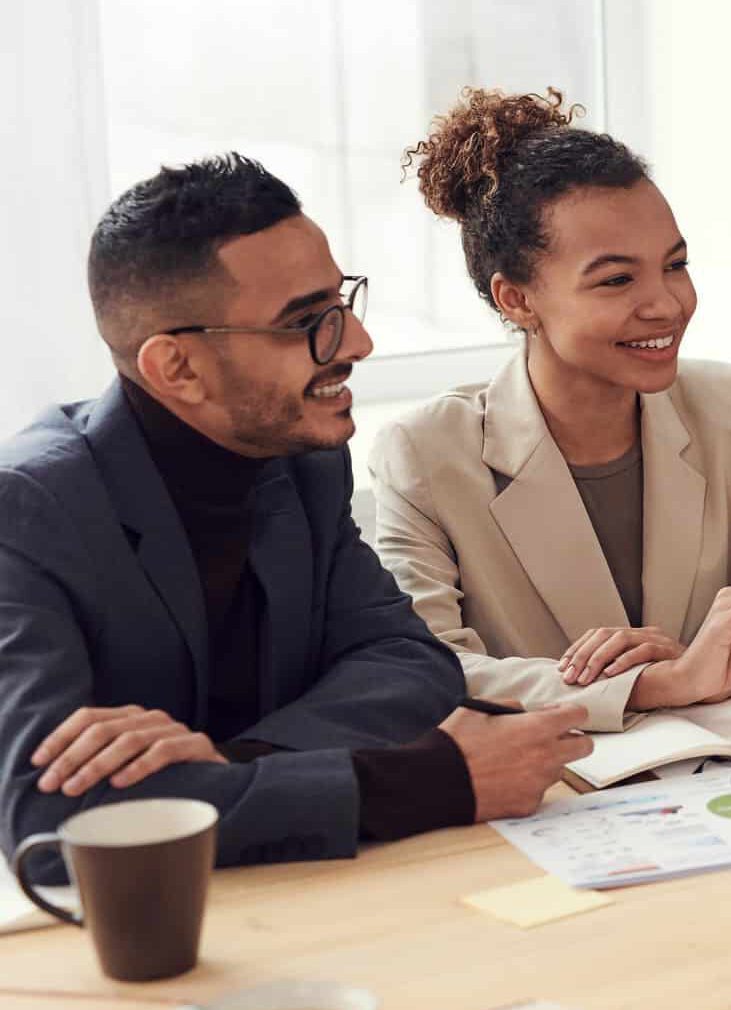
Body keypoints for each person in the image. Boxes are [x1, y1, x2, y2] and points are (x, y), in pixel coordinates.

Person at [0, 155, 590, 882]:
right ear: (176, 368)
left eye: (341, 304)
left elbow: (410, 664)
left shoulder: (304, 461)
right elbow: (49, 824)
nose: (356, 344)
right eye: (306, 323)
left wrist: (226, 760)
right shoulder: (24, 511)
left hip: (297, 890)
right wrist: (425, 780)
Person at [369, 89, 731, 732]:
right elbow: (423, 669)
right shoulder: (427, 452)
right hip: (555, 797)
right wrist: (660, 684)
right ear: (516, 299)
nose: (666, 304)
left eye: (675, 265)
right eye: (616, 280)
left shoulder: (728, 408)